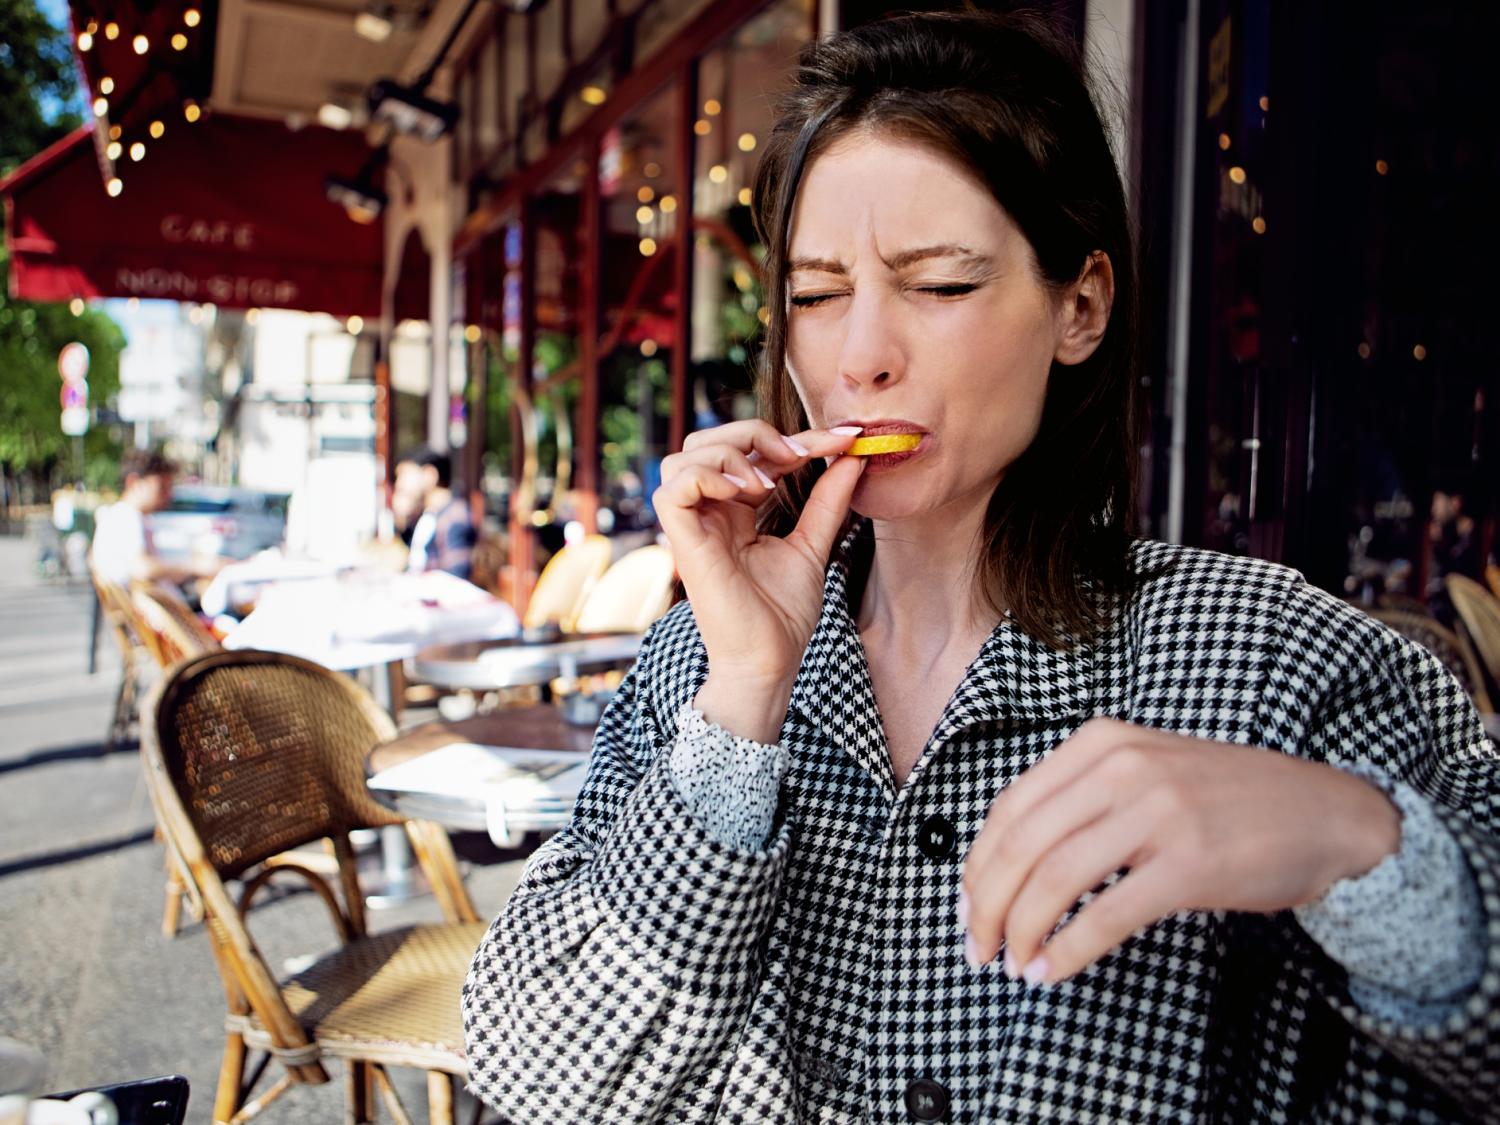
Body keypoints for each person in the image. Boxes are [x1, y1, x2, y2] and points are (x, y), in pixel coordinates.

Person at [462, 12, 1500, 1122]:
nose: (859, 355)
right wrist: (741, 706)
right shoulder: (697, 667)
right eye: (814, 296)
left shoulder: (1274, 659)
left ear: (1080, 306)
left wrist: (1355, 844)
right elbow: (536, 1079)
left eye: (941, 285)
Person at [90, 449, 222, 587]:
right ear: (134, 482)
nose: (169, 495)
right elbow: (142, 568)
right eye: (162, 487)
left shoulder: (121, 516)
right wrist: (196, 567)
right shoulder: (126, 517)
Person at [391, 445, 477, 581]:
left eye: (405, 475)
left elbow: (456, 582)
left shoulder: (454, 518)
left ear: (430, 475)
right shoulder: (429, 515)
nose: (400, 483)